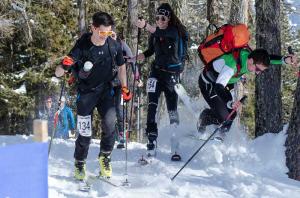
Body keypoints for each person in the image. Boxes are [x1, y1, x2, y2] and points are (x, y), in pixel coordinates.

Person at [55, 12, 132, 180]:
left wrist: (125, 87)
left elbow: (121, 67)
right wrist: (64, 65)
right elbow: (59, 73)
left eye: (108, 32)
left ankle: (105, 156)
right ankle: (80, 162)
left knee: (110, 123)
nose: (105, 36)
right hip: (86, 93)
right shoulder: (82, 45)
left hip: (106, 91)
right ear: (93, 28)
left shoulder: (113, 45)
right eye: (102, 32)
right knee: (84, 132)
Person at [198, 48, 297, 140]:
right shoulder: (231, 65)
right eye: (257, 69)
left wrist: (285, 60)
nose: (257, 73)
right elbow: (218, 87)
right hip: (210, 84)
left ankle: (221, 135)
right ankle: (204, 118)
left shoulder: (251, 58)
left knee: (232, 114)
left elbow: (269, 59)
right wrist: (230, 102)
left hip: (222, 84)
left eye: (260, 71)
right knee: (225, 115)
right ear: (250, 61)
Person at [134, 3, 188, 158]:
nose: (160, 21)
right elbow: (150, 51)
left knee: (172, 110)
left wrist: (145, 25)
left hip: (172, 76)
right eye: (157, 18)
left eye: (163, 18)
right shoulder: (156, 34)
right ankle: (151, 139)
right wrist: (138, 57)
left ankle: (175, 142)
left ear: (169, 19)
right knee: (152, 105)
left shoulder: (174, 31)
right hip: (156, 73)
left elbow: (156, 30)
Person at [110, 30, 138, 148]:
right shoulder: (103, 44)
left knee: (119, 109)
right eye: (109, 34)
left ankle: (121, 135)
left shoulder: (122, 45)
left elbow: (133, 61)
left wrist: (137, 77)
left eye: (113, 35)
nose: (111, 37)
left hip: (120, 85)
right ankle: (109, 136)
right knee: (107, 111)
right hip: (106, 83)